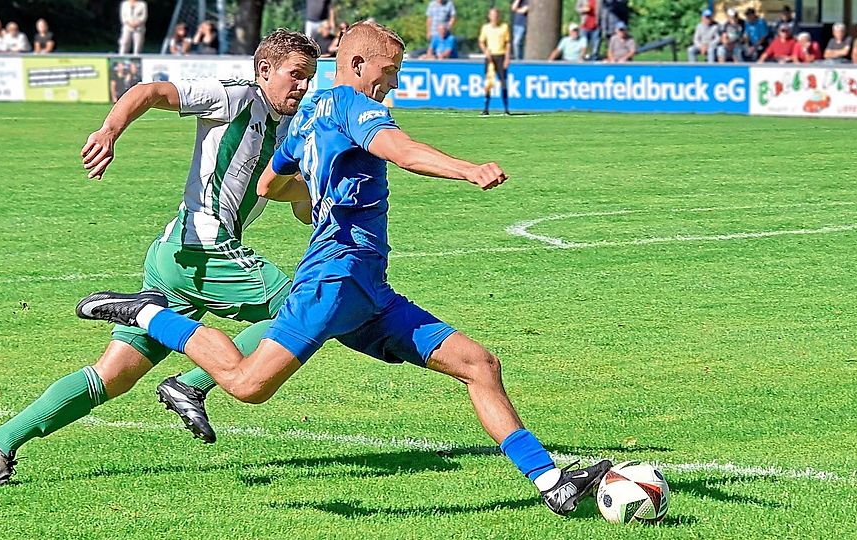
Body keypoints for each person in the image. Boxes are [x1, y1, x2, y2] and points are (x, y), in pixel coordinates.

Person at [76, 20, 612, 516]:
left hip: (368, 289)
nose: (392, 86)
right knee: (245, 385)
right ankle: (150, 316)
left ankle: (552, 485)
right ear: (358, 66)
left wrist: (321, 195)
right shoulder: (354, 106)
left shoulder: (308, 115)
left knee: (479, 364)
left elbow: (267, 183)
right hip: (331, 279)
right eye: (390, 74)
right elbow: (400, 151)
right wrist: (467, 169)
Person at [0, 29, 320, 487]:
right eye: (296, 76)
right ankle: (190, 383)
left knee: (111, 376)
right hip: (202, 247)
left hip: (173, 256)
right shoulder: (233, 96)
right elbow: (149, 91)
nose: (303, 87)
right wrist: (109, 131)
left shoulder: (291, 125)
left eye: (309, 78)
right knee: (305, 307)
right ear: (265, 70)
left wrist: (320, 191)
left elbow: (289, 199)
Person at [479, 8, 511, 115]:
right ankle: (486, 108)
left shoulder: (504, 27)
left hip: (500, 56)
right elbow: (481, 42)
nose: (494, 17)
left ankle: (506, 108)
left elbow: (507, 43)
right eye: (492, 15)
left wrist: (507, 58)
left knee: (503, 82)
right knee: (488, 83)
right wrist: (485, 51)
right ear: (489, 16)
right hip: (490, 57)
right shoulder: (486, 28)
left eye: (496, 15)